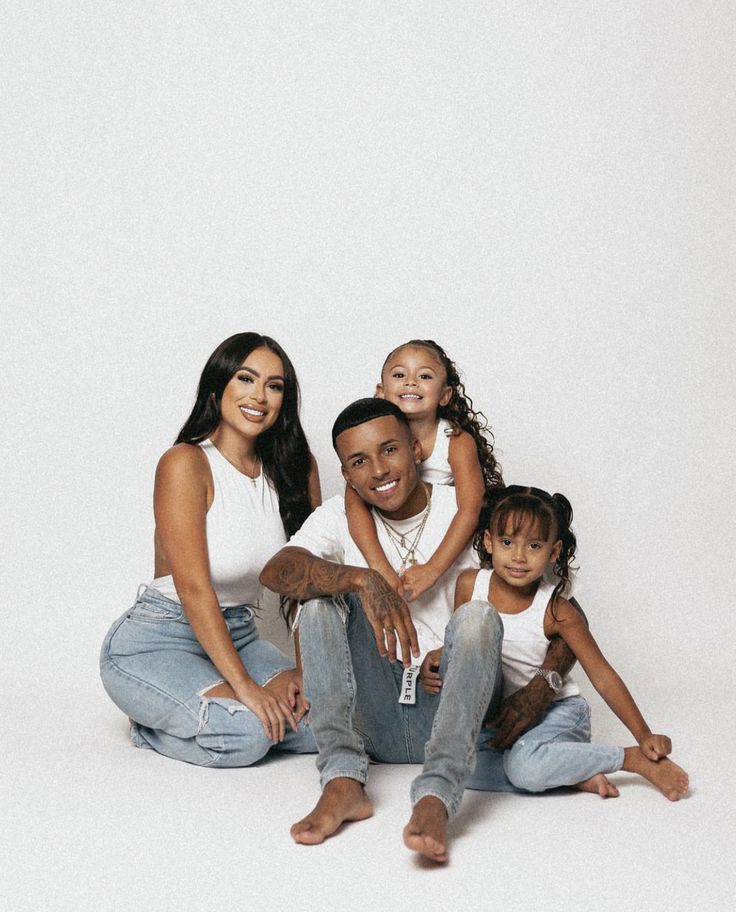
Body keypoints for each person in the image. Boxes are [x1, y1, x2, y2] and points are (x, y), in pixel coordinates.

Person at [259, 399, 575, 863]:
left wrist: (542, 689)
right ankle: (343, 780)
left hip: (453, 706)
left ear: (416, 449)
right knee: (319, 600)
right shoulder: (339, 516)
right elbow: (277, 571)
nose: (378, 470)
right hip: (376, 714)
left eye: (389, 450)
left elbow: (561, 611)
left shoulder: (469, 513)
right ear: (346, 474)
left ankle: (438, 793)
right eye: (359, 461)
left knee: (478, 617)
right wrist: (362, 578)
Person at [100, 332, 320, 767]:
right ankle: (148, 727)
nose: (259, 396)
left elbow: (304, 588)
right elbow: (195, 590)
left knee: (326, 722)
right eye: (246, 379)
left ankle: (202, 708)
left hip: (240, 636)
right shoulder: (185, 463)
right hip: (159, 641)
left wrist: (305, 670)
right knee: (248, 733)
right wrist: (248, 690)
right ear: (219, 386)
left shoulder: (296, 468)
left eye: (274, 386)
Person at [422, 486, 689, 800]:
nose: (519, 556)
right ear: (489, 542)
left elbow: (601, 674)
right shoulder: (469, 585)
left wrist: (644, 735)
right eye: (507, 542)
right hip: (498, 719)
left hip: (557, 712)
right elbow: (467, 646)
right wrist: (440, 655)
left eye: (534, 545)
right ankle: (570, 773)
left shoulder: (556, 611)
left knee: (524, 769)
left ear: (553, 551)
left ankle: (627, 758)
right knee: (452, 765)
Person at [346, 339, 502, 602]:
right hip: (393, 535)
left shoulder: (455, 440)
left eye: (425, 376)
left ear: (444, 395)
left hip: (444, 542)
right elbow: (354, 506)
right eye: (399, 375)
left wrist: (433, 569)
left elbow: (471, 508)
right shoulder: (367, 440)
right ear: (381, 392)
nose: (410, 382)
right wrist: (380, 567)